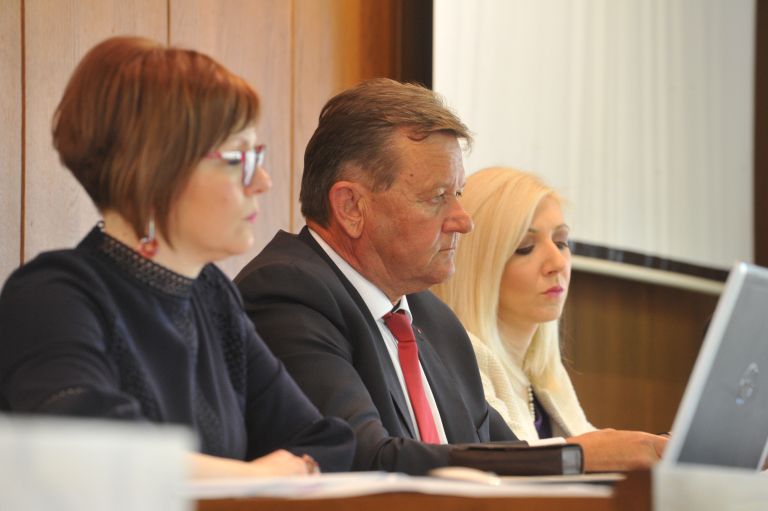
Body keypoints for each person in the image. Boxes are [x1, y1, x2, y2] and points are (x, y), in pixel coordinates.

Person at [235, 78, 666, 475]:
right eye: (437, 197)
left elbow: (508, 459)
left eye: (457, 194)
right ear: (351, 207)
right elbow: (359, 456)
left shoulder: (433, 320)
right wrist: (577, 456)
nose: (464, 220)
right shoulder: (289, 295)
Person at [0, 36, 354, 478]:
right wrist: (257, 478)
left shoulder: (213, 296)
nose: (263, 180)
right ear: (157, 169)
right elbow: (89, 453)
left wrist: (277, 473)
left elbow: (325, 440)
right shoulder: (52, 298)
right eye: (239, 158)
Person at [432, 167, 595, 441]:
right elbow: (513, 461)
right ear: (478, 265)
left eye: (560, 242)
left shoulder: (548, 379)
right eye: (526, 247)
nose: (557, 263)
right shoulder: (462, 370)